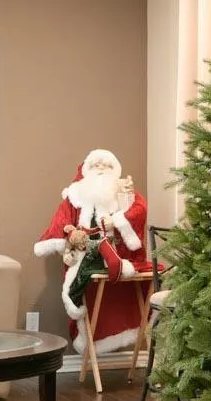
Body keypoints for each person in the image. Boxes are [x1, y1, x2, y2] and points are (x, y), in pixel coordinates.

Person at [32, 149, 152, 353]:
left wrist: (116, 220)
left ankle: (112, 258)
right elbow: (61, 222)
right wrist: (70, 234)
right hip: (85, 251)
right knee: (85, 269)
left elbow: (140, 209)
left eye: (107, 167)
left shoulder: (124, 193)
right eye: (97, 166)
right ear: (87, 170)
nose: (101, 171)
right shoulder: (75, 194)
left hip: (121, 252)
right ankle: (106, 258)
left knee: (140, 279)